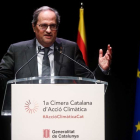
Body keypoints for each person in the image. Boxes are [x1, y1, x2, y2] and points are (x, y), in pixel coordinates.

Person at [0, 6, 112, 88]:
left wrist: (102, 69)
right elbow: (2, 78)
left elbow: (89, 82)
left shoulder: (69, 49)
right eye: (43, 25)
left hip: (59, 112)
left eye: (53, 26)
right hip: (28, 111)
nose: (48, 30)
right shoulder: (17, 50)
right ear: (34, 27)